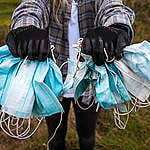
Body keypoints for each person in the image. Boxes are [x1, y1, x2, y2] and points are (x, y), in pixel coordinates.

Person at [6, 0, 135, 149]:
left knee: (87, 136)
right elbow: (31, 7)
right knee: (55, 137)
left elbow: (113, 7)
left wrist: (116, 27)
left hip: (89, 83)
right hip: (54, 83)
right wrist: (25, 28)